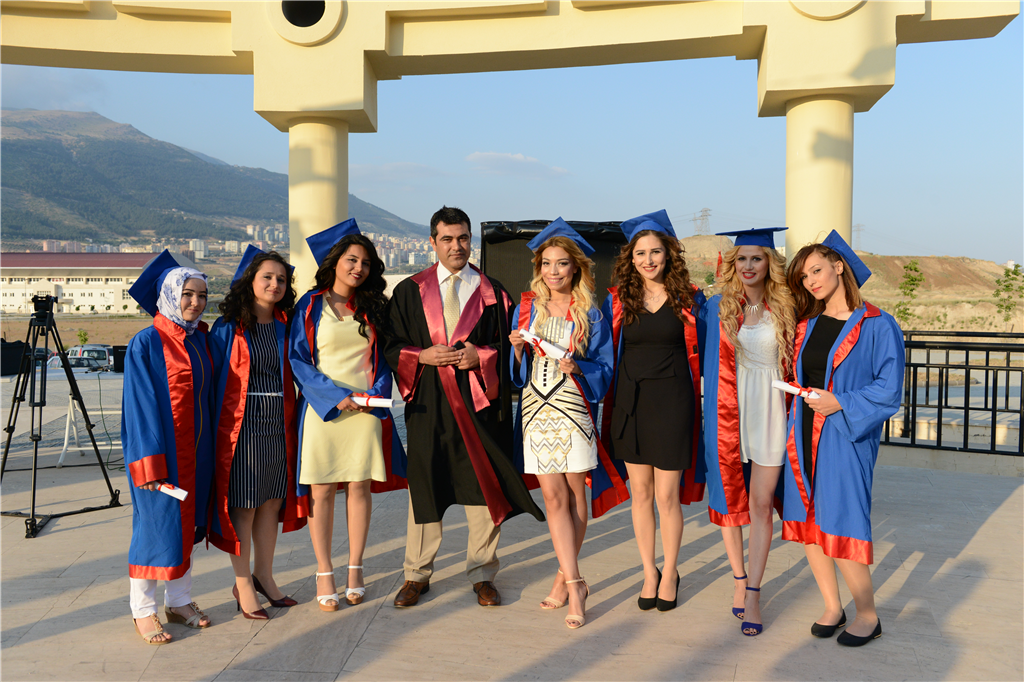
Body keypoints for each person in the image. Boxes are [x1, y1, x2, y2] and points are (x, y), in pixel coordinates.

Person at [385, 205, 545, 609]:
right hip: (428, 404)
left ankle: (482, 573)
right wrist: (420, 356)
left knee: (482, 486)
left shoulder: (493, 292)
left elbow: (512, 347)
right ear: (432, 242)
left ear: (470, 240)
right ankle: (416, 574)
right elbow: (389, 344)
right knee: (426, 487)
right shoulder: (409, 291)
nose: (456, 246)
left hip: (480, 404)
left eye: (462, 238)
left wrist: (483, 356)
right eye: (447, 239)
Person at [783, 230, 904, 647]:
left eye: (817, 270)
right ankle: (833, 606)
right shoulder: (807, 324)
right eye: (804, 277)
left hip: (844, 434)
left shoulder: (877, 324)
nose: (810, 281)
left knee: (842, 520)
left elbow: (889, 389)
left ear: (839, 267)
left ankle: (868, 615)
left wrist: (841, 402)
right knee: (809, 521)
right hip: (802, 430)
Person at [509, 218, 624, 630]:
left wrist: (579, 366)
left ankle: (564, 577)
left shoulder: (591, 311)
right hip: (536, 409)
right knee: (553, 498)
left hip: (573, 406)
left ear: (575, 267)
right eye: (546, 264)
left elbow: (605, 367)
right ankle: (576, 584)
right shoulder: (527, 307)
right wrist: (517, 350)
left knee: (576, 497)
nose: (553, 271)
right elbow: (516, 371)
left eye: (561, 263)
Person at [289, 219, 407, 611]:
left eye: (366, 262)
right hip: (324, 409)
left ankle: (355, 567)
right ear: (335, 261)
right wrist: (336, 397)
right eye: (352, 260)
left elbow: (384, 360)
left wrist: (374, 396)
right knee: (321, 491)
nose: (359, 268)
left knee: (359, 488)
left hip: (365, 410)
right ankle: (325, 571)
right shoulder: (309, 305)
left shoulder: (373, 308)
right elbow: (299, 360)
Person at [600, 210, 706, 613]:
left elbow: (712, 351)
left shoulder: (690, 300)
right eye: (640, 253)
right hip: (631, 403)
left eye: (655, 252)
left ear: (668, 255)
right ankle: (649, 571)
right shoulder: (617, 299)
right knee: (640, 494)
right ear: (631, 258)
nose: (648, 260)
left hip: (673, 403)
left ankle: (672, 570)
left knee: (666, 496)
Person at [701, 227, 795, 636]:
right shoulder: (718, 308)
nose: (749, 266)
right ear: (733, 263)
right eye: (742, 258)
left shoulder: (788, 306)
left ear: (770, 262)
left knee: (760, 503)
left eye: (757, 258)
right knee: (730, 498)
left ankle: (754, 591)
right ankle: (739, 579)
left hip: (771, 411)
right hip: (731, 410)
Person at [208, 246, 306, 619]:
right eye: (267, 276)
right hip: (243, 425)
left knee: (272, 502)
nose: (275, 284)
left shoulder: (288, 325)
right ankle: (242, 582)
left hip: (280, 422)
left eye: (281, 279)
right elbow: (213, 381)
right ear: (250, 280)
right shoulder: (228, 327)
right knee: (245, 504)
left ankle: (264, 574)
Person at [122, 250, 215, 644]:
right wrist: (148, 463)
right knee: (154, 528)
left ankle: (178, 602)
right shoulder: (146, 343)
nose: (195, 302)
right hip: (160, 455)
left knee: (188, 527)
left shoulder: (200, 340)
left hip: (198, 454)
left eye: (202, 295)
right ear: (170, 295)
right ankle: (142, 610)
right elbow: (139, 408)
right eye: (187, 294)